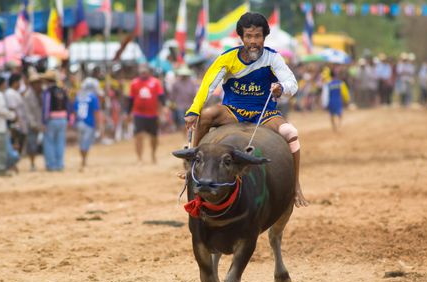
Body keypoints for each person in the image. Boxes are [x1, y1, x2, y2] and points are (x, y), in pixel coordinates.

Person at [183, 12, 308, 207]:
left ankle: (295, 185)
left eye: (257, 36)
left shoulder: (273, 58)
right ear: (241, 37)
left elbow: (291, 83)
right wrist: (193, 110)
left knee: (290, 132)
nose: (253, 41)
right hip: (232, 111)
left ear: (264, 37)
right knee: (205, 116)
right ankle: (191, 164)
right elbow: (208, 85)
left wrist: (281, 88)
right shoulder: (227, 58)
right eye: (248, 36)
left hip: (265, 114)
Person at [128, 64, 165, 164]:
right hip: (139, 114)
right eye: (141, 72)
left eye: (145, 71)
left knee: (154, 137)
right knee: (138, 136)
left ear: (148, 72)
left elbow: (161, 97)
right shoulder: (134, 83)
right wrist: (128, 113)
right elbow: (130, 100)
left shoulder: (155, 82)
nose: (143, 73)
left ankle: (153, 154)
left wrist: (164, 109)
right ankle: (139, 158)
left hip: (152, 114)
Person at [42, 70, 69, 171]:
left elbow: (46, 107)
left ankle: (51, 165)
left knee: (49, 142)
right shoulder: (62, 90)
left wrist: (44, 121)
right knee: (60, 142)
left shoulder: (48, 92)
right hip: (63, 119)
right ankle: (59, 164)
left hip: (51, 119)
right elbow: (67, 105)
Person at [73, 77, 103, 170]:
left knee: (81, 142)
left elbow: (75, 110)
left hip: (79, 122)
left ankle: (83, 159)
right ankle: (84, 160)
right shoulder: (93, 97)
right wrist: (100, 125)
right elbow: (96, 112)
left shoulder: (79, 96)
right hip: (89, 123)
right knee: (86, 143)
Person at [23, 73, 43, 171]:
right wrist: (33, 124)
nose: (39, 85)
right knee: (32, 145)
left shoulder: (42, 94)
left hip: (41, 124)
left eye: (39, 83)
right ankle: (32, 164)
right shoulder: (28, 96)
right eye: (36, 83)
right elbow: (27, 112)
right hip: (32, 125)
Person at [169, 65, 197, 133]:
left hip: (190, 105)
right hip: (179, 105)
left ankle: (189, 134)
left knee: (191, 120)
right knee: (182, 121)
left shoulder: (191, 83)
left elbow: (194, 94)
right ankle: (184, 135)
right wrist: (172, 103)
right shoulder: (176, 83)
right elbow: (172, 95)